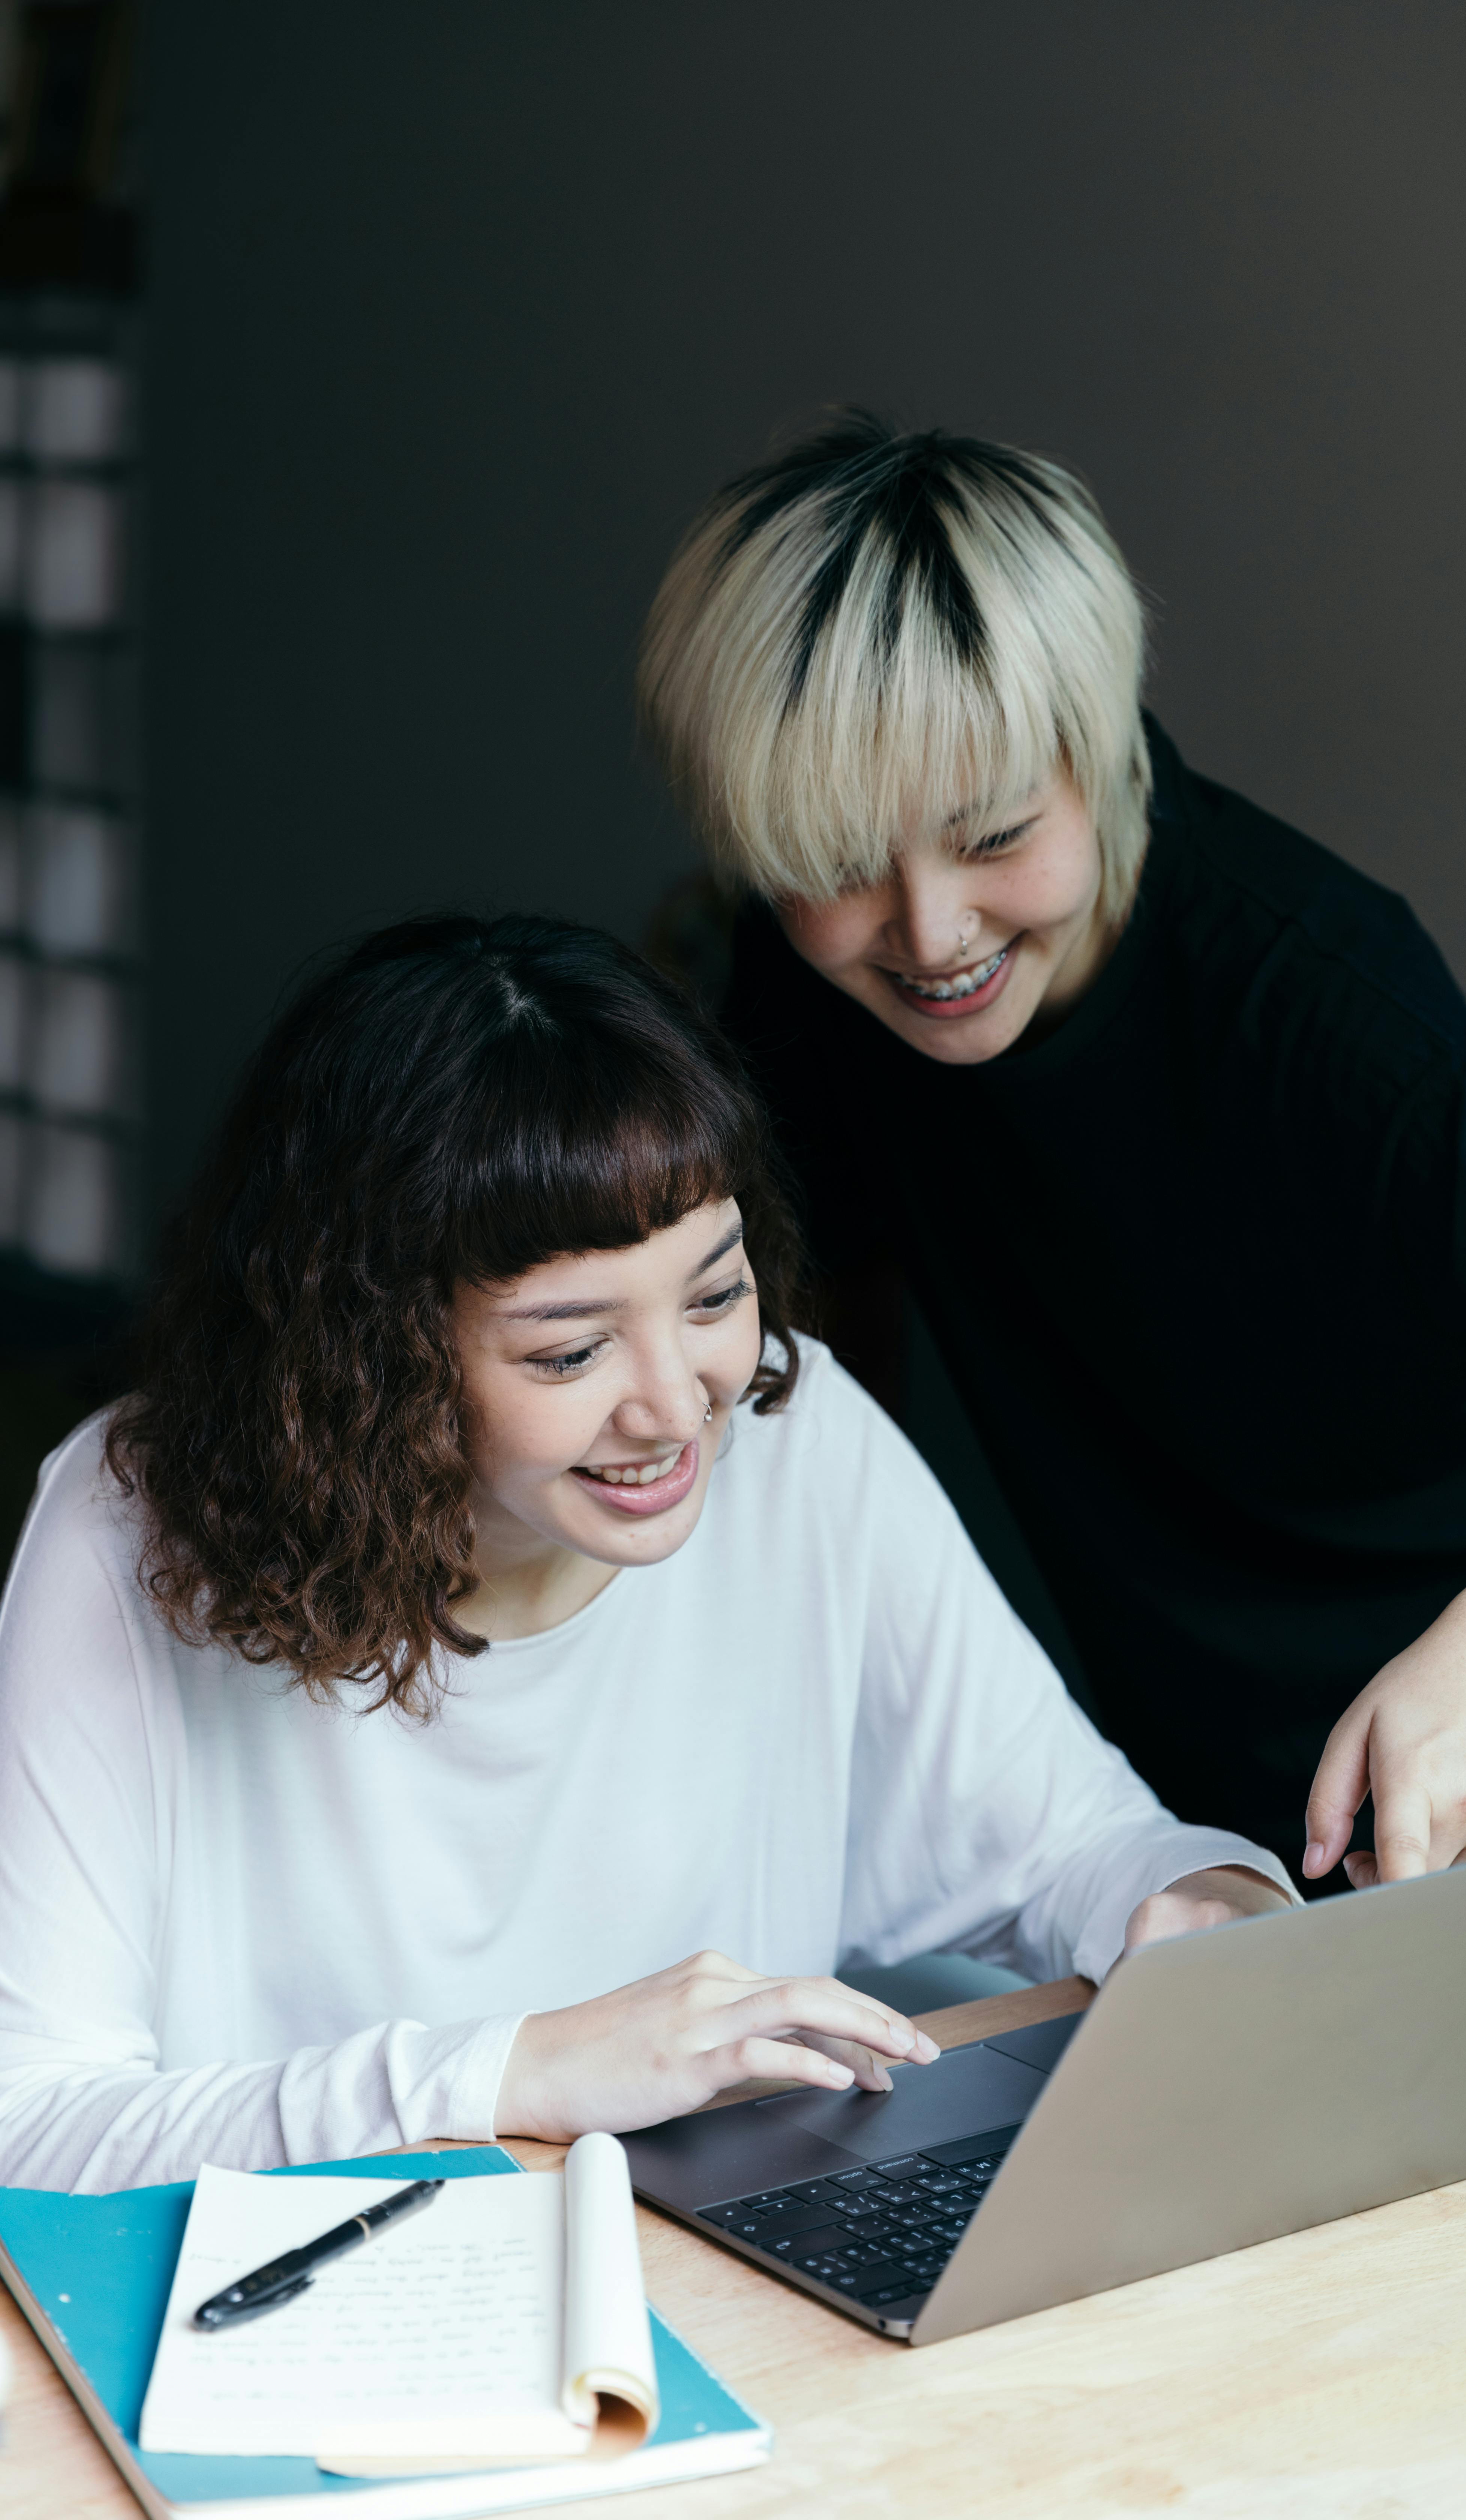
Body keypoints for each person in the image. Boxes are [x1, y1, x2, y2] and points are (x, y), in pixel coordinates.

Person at [0, 914, 1291, 2194]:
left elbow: (1068, 1842)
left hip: (730, 2287)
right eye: (570, 1351)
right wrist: (518, 2072)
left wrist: (1201, 1905)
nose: (678, 1408)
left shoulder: (795, 1437)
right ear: (369, 1359)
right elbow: (30, 2121)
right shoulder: (131, 1527)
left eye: (716, 1295)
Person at [636, 411, 1466, 1893]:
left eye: (994, 835)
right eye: (839, 865)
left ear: (1097, 741)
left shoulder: (1314, 999)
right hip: (1215, 1814)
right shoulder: (801, 984)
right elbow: (817, 1352)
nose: (930, 935)